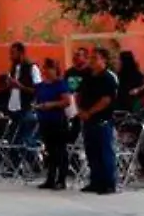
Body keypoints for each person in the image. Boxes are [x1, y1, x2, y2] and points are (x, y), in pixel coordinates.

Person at [77, 48, 120, 195]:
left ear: (104, 60)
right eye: (91, 58)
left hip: (102, 119)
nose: (92, 61)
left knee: (105, 152)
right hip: (87, 119)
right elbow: (79, 93)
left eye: (96, 58)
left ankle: (108, 184)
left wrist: (90, 112)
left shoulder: (108, 78)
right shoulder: (87, 75)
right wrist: (81, 110)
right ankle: (95, 181)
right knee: (91, 151)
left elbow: (106, 100)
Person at [33, 59, 74, 190]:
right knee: (49, 151)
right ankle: (50, 178)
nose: (47, 71)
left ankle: (61, 179)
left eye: (50, 68)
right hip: (45, 120)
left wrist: (51, 104)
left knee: (60, 150)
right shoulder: (41, 86)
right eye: (45, 68)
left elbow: (66, 101)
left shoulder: (60, 84)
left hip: (57, 120)